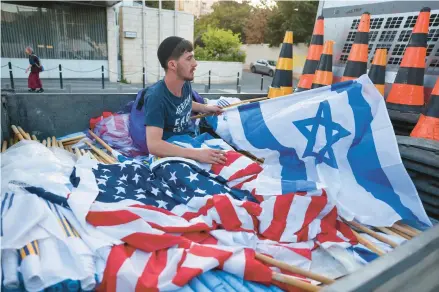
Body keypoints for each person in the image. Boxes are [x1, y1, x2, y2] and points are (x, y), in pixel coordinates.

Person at [145, 36, 227, 165]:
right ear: (172, 64)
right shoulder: (156, 97)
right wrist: (197, 154)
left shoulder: (185, 83)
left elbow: (184, 103)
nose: (195, 64)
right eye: (189, 59)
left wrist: (205, 108)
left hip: (191, 139)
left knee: (228, 157)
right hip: (172, 150)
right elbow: (154, 145)